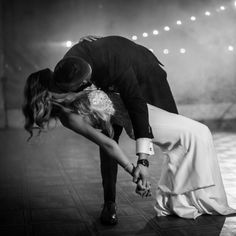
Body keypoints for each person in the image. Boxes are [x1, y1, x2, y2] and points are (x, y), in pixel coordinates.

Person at [22, 78, 236, 219]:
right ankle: (187, 200)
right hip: (140, 123)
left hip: (142, 111)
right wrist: (133, 168)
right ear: (45, 89)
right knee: (198, 133)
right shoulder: (69, 117)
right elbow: (107, 143)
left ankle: (185, 199)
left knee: (197, 135)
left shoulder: (74, 86)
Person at [51, 35, 178, 224]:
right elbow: (107, 142)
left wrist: (142, 160)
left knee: (175, 132)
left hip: (146, 76)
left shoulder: (115, 65)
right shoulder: (68, 66)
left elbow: (136, 104)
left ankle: (179, 195)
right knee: (108, 135)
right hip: (107, 84)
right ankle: (109, 203)